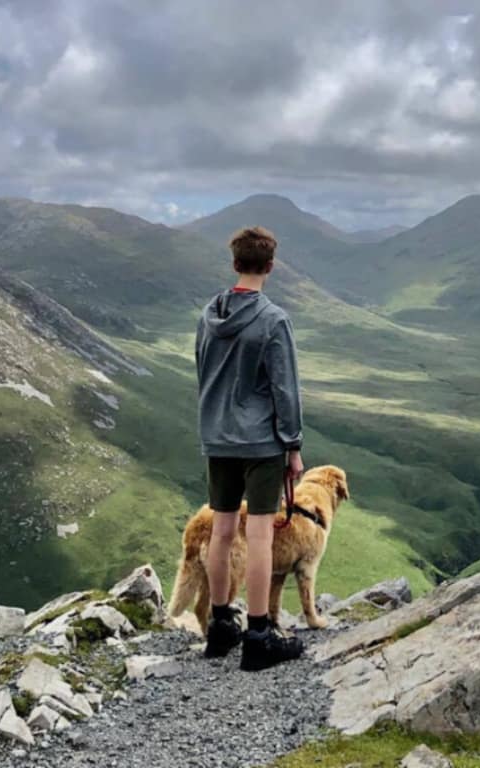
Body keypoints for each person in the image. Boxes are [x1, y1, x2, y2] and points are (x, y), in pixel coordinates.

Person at [195, 225, 306, 671]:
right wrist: (293, 446)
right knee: (260, 536)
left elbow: (203, 370)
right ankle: (259, 636)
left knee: (221, 532)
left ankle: (221, 625)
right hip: (260, 441)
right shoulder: (273, 320)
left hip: (217, 435)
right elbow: (285, 389)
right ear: (271, 266)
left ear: (235, 262)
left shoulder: (209, 315)